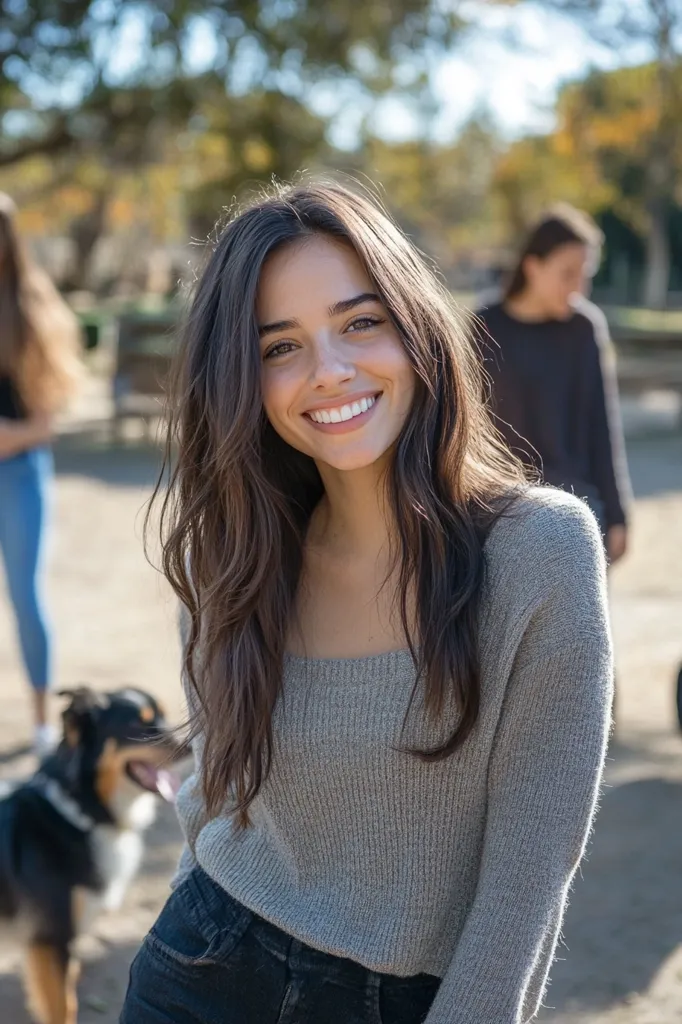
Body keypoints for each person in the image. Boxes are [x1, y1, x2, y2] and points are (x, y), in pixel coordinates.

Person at [121, 181, 613, 1024]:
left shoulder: (541, 552)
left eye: (359, 322)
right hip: (199, 971)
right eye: (280, 347)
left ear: (415, 325)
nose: (331, 372)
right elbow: (210, 794)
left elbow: (528, 882)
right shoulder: (234, 556)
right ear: (245, 378)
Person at [475, 205, 631, 565]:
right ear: (532, 267)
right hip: (499, 516)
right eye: (568, 273)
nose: (579, 287)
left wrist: (619, 514)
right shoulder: (483, 328)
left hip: (579, 513)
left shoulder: (584, 328)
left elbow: (602, 424)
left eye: (586, 275)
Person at [0, 193, 81, 755]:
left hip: (18, 471)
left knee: (26, 598)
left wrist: (11, 437)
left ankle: (41, 723)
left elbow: (47, 422)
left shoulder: (31, 309)